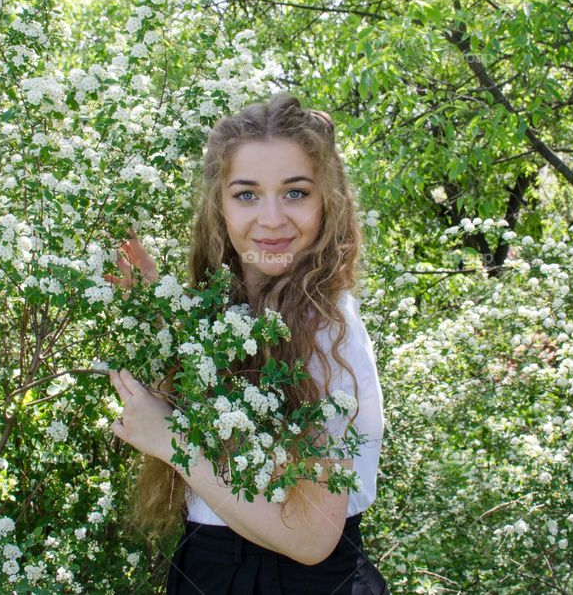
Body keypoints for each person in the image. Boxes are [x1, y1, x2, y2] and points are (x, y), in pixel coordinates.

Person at [105, 93, 389, 594]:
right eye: (247, 194)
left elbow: (311, 538)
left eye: (296, 192)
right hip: (212, 566)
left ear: (329, 200)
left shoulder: (322, 326)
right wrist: (160, 321)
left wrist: (172, 441)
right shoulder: (232, 310)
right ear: (219, 204)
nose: (273, 219)